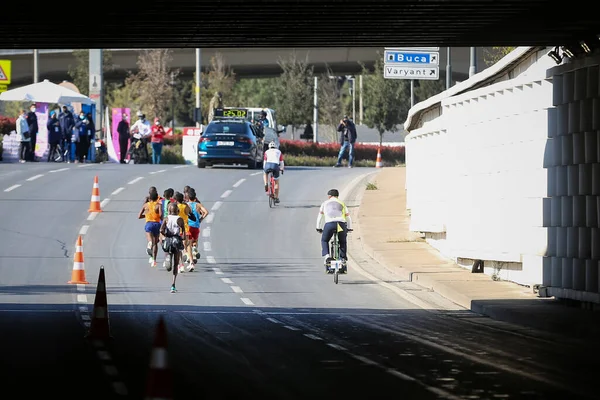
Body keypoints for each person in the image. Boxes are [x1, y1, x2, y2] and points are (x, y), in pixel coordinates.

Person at [315, 189, 353, 273]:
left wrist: (318, 227)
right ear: (337, 196)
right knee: (343, 241)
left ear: (329, 196)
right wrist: (350, 228)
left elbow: (320, 217)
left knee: (324, 240)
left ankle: (327, 256)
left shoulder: (324, 203)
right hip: (341, 224)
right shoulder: (342, 203)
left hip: (329, 224)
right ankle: (342, 258)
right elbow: (348, 217)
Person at [160, 202, 186, 293]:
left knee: (166, 249)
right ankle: (173, 285)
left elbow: (161, 230)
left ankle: (167, 257)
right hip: (176, 240)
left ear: (168, 210)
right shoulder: (180, 219)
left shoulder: (166, 218)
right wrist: (183, 238)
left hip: (168, 239)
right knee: (176, 263)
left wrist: (166, 234)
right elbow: (183, 232)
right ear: (177, 211)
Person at [138, 190, 163, 268]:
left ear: (149, 198)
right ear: (157, 198)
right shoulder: (158, 205)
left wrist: (146, 216)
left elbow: (139, 216)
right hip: (157, 224)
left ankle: (149, 244)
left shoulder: (145, 205)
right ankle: (154, 260)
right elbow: (161, 215)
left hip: (149, 224)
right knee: (155, 243)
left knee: (150, 238)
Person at [186, 187, 209, 265]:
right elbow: (206, 212)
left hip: (188, 225)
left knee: (188, 242)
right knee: (195, 240)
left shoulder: (186, 205)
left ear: (188, 197)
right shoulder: (198, 205)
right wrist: (200, 219)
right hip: (196, 225)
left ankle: (189, 256)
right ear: (195, 197)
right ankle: (195, 249)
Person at [174, 191, 193, 272]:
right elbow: (190, 213)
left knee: (178, 248)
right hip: (186, 227)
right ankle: (190, 261)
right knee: (188, 245)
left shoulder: (176, 207)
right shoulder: (186, 206)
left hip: (178, 228)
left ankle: (181, 265)